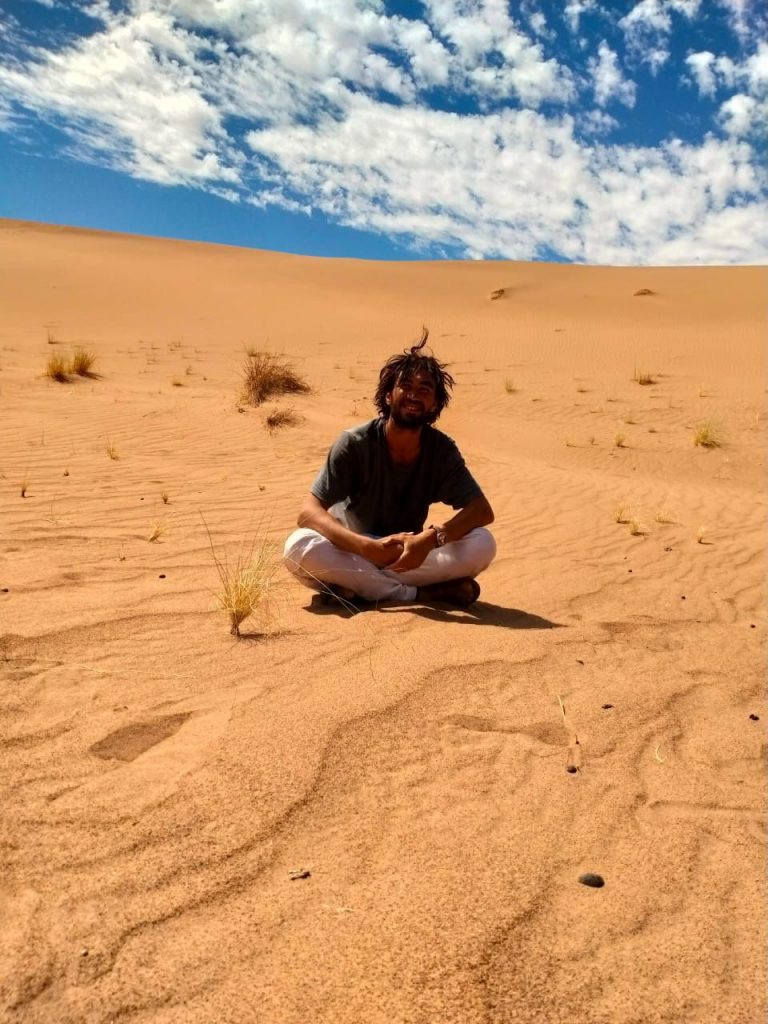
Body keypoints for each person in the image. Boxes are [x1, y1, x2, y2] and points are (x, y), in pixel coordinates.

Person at [283, 328, 496, 606]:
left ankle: (358, 588)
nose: (413, 395)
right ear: (387, 396)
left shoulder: (441, 451)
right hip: (352, 551)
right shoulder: (355, 443)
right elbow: (308, 513)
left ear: (434, 404)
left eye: (424, 389)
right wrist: (365, 547)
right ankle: (418, 594)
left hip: (407, 555)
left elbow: (481, 510)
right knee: (298, 546)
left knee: (483, 543)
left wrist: (429, 540)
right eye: (405, 386)